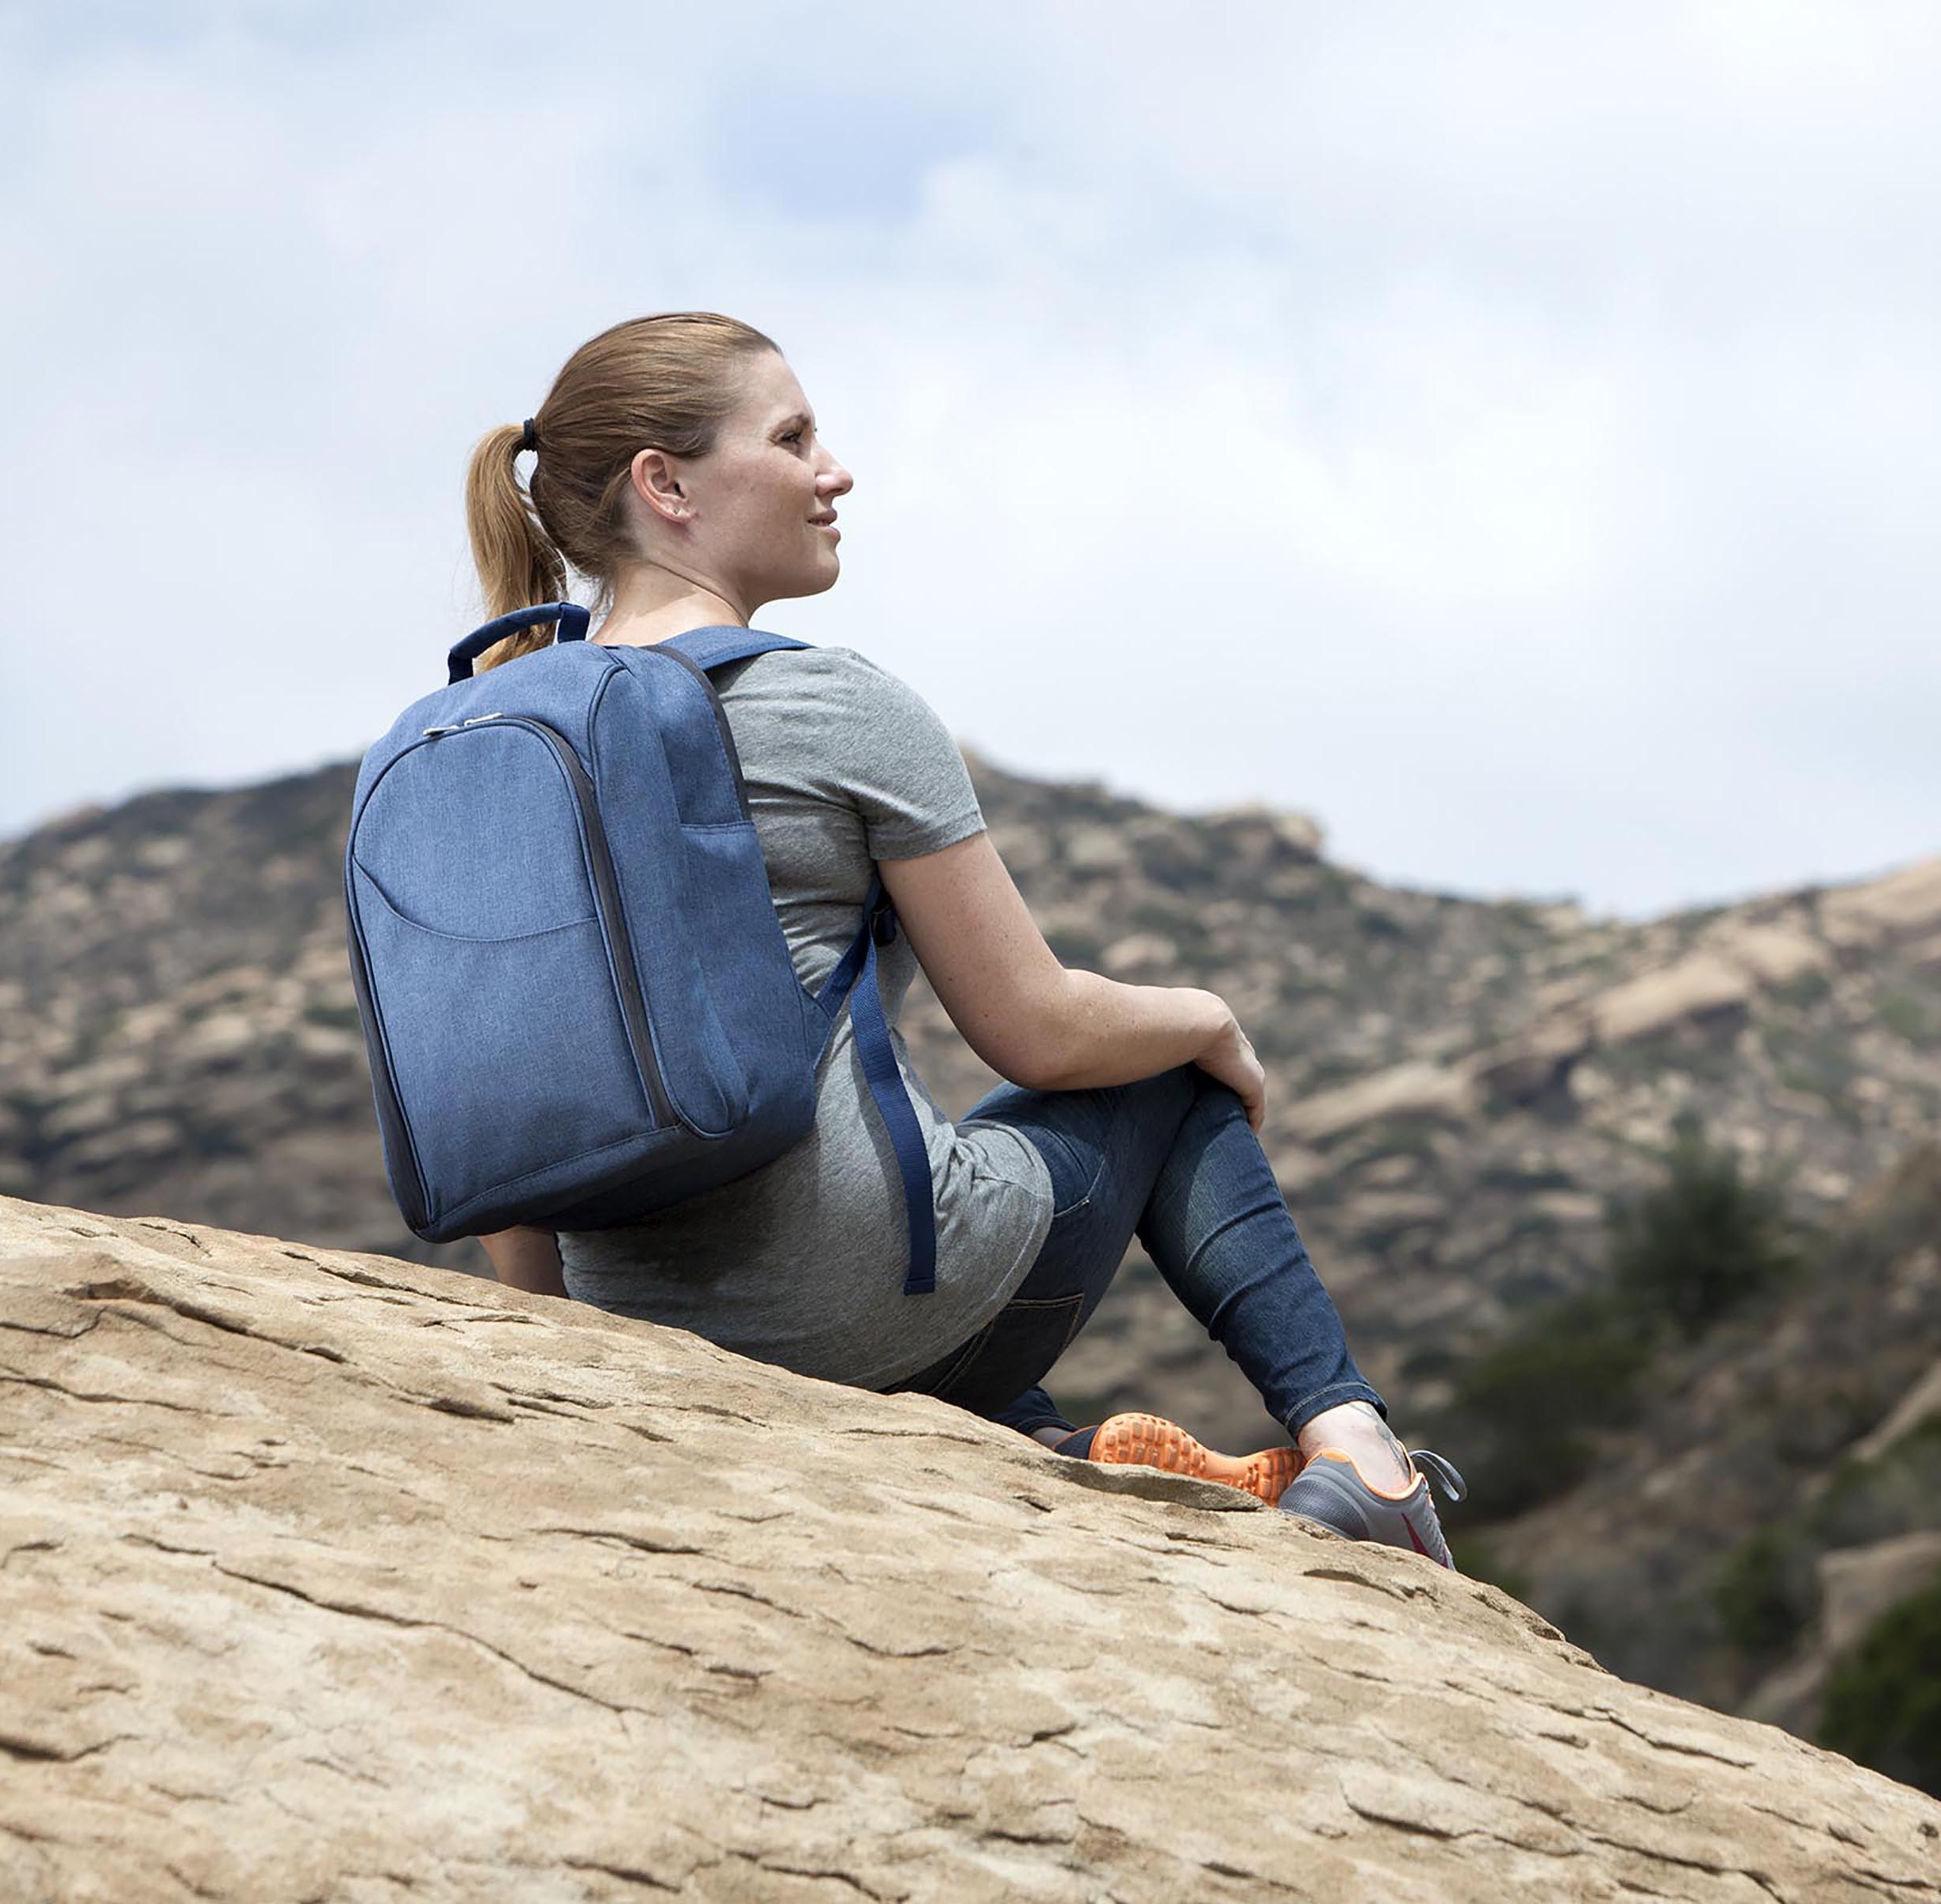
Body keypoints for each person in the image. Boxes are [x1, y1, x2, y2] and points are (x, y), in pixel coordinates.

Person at [456, 311, 1462, 1566]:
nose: (837, 470)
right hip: (864, 1309)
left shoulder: (492, 734)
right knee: (1150, 1066)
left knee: (946, 1164)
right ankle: (1361, 1456)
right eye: (794, 436)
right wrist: (1206, 1017)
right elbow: (1038, 1030)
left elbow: (499, 1104)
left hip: (642, 1332)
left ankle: (1046, 1451)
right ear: (667, 487)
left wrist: (577, 1353)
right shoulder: (828, 700)